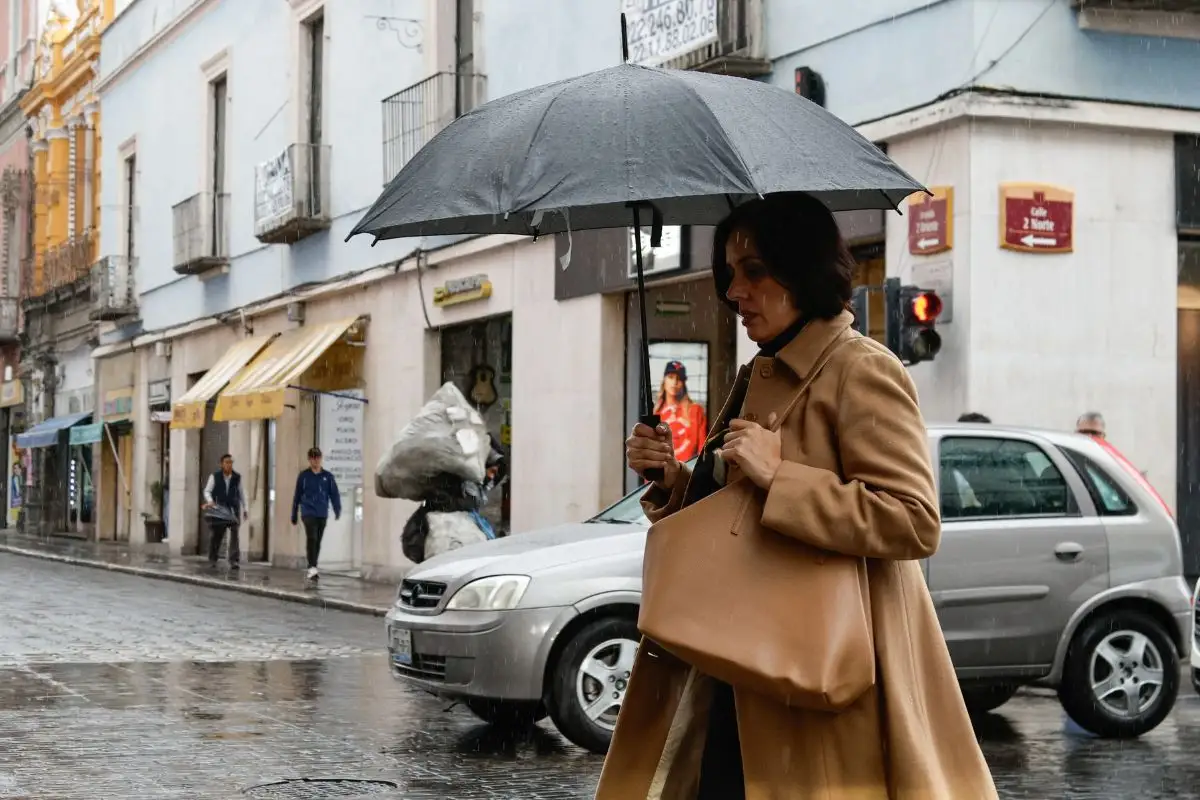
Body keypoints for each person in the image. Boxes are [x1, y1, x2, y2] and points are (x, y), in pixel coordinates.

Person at [597, 192, 997, 799]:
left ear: (803, 269)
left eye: (754, 271)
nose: (735, 292)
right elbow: (732, 513)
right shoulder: (758, 371)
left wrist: (782, 479)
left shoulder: (861, 369)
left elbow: (914, 521)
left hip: (815, 670)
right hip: (731, 659)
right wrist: (673, 479)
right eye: (730, 274)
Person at [290, 447, 342, 582]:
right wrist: (294, 513)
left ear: (320, 458)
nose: (315, 460)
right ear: (309, 459)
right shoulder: (304, 476)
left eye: (317, 457)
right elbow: (297, 495)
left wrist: (337, 509)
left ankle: (314, 565)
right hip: (308, 512)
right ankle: (312, 567)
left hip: (322, 512)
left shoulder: (328, 477)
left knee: (318, 540)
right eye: (313, 458)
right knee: (311, 537)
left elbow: (334, 494)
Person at [653, 360, 708, 462]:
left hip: (688, 474)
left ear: (683, 383)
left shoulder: (696, 411)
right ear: (664, 381)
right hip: (662, 474)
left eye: (679, 379)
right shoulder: (656, 414)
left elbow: (703, 452)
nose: (674, 382)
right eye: (670, 377)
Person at [202, 454, 248, 570]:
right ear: (222, 464)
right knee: (217, 535)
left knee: (234, 534)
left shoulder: (237, 477)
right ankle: (213, 558)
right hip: (220, 510)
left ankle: (233, 560)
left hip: (233, 509)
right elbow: (207, 491)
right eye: (227, 462)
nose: (229, 464)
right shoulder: (215, 476)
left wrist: (245, 509)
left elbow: (242, 494)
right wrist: (210, 501)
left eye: (231, 462)